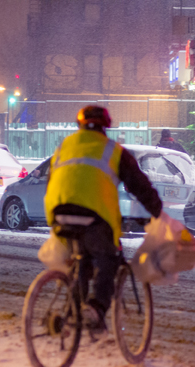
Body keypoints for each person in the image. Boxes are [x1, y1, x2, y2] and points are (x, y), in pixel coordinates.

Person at [44, 105, 163, 339]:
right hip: (95, 217)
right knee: (108, 259)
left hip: (59, 214)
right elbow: (140, 186)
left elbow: (52, 181)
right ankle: (96, 310)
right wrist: (157, 212)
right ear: (105, 127)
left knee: (82, 261)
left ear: (79, 125)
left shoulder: (64, 146)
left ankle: (73, 312)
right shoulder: (113, 151)